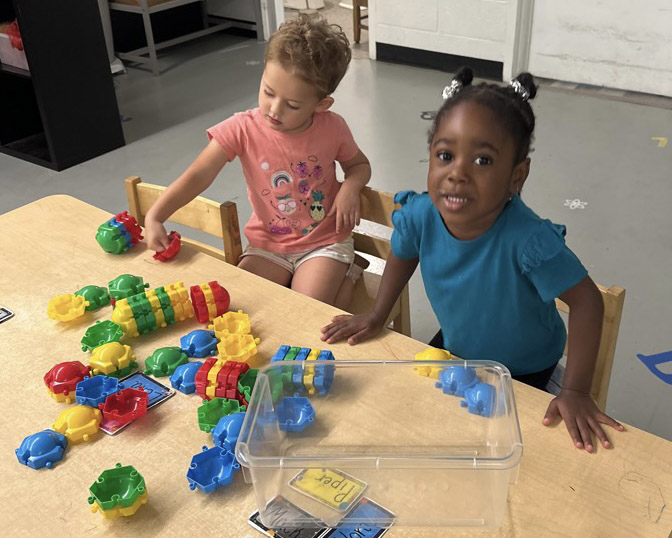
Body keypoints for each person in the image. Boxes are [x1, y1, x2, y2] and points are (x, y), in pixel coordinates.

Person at [321, 67, 624, 452]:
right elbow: (402, 253)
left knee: (516, 453)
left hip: (526, 368)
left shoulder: (529, 240)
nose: (457, 174)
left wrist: (577, 389)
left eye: (482, 161)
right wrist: (379, 313)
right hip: (460, 349)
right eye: (445, 155)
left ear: (518, 175)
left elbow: (587, 301)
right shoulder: (420, 214)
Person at [145, 15, 371, 309]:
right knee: (241, 305)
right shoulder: (242, 128)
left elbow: (359, 166)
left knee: (305, 309)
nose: (274, 110)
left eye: (292, 105)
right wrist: (155, 216)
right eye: (267, 92)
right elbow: (198, 175)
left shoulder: (333, 127)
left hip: (324, 242)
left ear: (321, 105)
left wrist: (350, 188)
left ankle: (349, 274)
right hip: (268, 244)